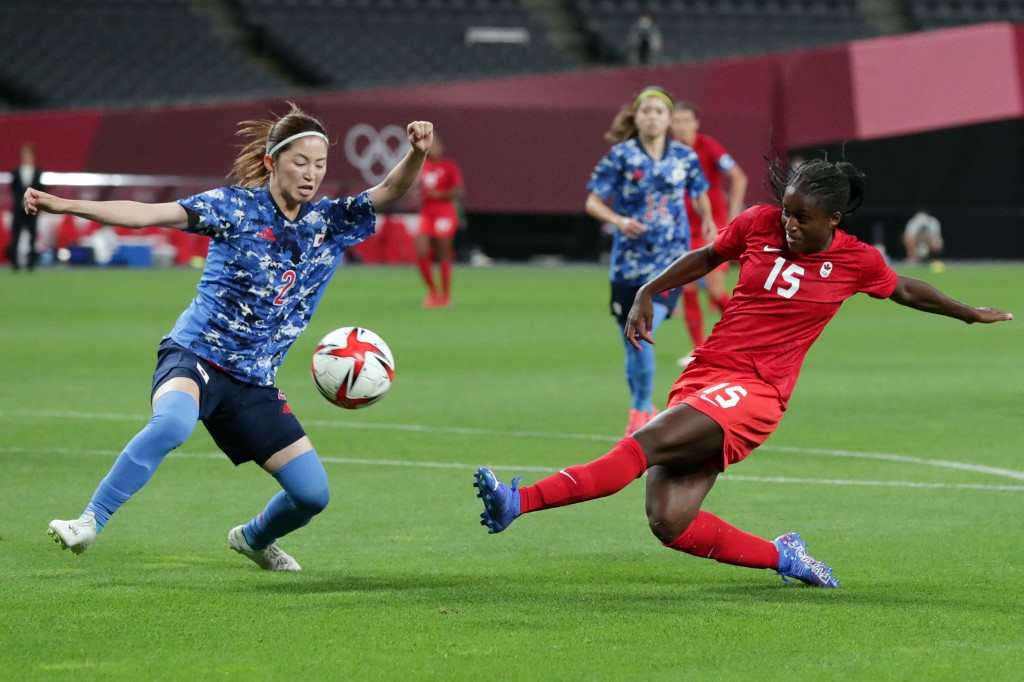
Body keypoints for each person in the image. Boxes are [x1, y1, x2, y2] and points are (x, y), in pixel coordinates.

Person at [475, 155, 1012, 588]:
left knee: (644, 445)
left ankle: (517, 501)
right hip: (707, 375)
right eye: (786, 211)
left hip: (757, 392)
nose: (789, 223)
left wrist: (968, 312)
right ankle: (785, 557)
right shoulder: (757, 224)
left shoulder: (857, 261)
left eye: (802, 218)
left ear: (834, 221)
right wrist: (648, 289)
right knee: (669, 521)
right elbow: (708, 256)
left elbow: (906, 289)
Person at [29, 103, 434, 570]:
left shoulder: (329, 223)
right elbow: (144, 215)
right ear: (271, 162)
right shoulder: (234, 208)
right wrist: (64, 203)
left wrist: (416, 153)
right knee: (174, 424)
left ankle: (253, 539)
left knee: (312, 495)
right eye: (300, 162)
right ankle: (89, 521)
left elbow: (390, 189)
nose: (311, 174)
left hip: (252, 383)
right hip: (195, 353)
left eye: (319, 165)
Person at [584, 86, 716, 436]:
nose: (653, 117)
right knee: (632, 338)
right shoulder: (621, 156)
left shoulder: (685, 157)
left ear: (669, 119)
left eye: (660, 111)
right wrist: (618, 221)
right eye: (647, 111)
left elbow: (700, 191)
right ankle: (641, 404)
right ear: (637, 117)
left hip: (670, 263)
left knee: (642, 331)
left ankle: (640, 409)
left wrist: (707, 219)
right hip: (628, 266)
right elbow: (593, 201)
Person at [670, 102, 748, 365]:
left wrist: (732, 216)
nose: (681, 126)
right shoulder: (667, 153)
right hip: (683, 229)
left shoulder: (708, 147)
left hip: (711, 226)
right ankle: (698, 350)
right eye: (676, 121)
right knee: (687, 285)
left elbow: (738, 176)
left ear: (696, 123)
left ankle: (744, 336)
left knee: (715, 287)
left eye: (685, 120)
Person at [415, 135, 463, 307]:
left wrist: (440, 195)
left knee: (443, 253)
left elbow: (458, 191)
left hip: (444, 213)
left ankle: (445, 295)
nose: (432, 147)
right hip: (427, 213)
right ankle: (433, 292)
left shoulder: (449, 166)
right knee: (421, 252)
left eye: (435, 144)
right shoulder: (423, 166)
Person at [7, 143, 45, 271]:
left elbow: (41, 189)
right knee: (16, 236)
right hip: (18, 209)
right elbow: (14, 190)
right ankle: (15, 263)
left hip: (33, 208)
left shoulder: (38, 172)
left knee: (32, 236)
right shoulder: (16, 172)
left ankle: (31, 263)